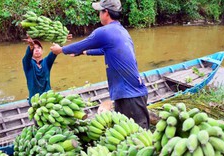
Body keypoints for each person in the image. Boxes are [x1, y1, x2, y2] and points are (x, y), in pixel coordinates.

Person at [50, 0, 150, 129]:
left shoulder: (103, 32)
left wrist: (61, 49)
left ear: (106, 12)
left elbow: (79, 45)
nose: (99, 15)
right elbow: (105, 49)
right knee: (128, 133)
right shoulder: (120, 30)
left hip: (130, 95)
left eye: (100, 11)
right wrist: (85, 52)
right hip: (130, 91)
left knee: (139, 135)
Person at [22, 35, 58, 106]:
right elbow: (27, 57)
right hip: (35, 100)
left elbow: (55, 51)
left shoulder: (46, 62)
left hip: (48, 98)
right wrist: (31, 47)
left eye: (39, 48)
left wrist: (62, 40)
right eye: (34, 48)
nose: (37, 50)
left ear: (42, 50)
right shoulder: (28, 64)